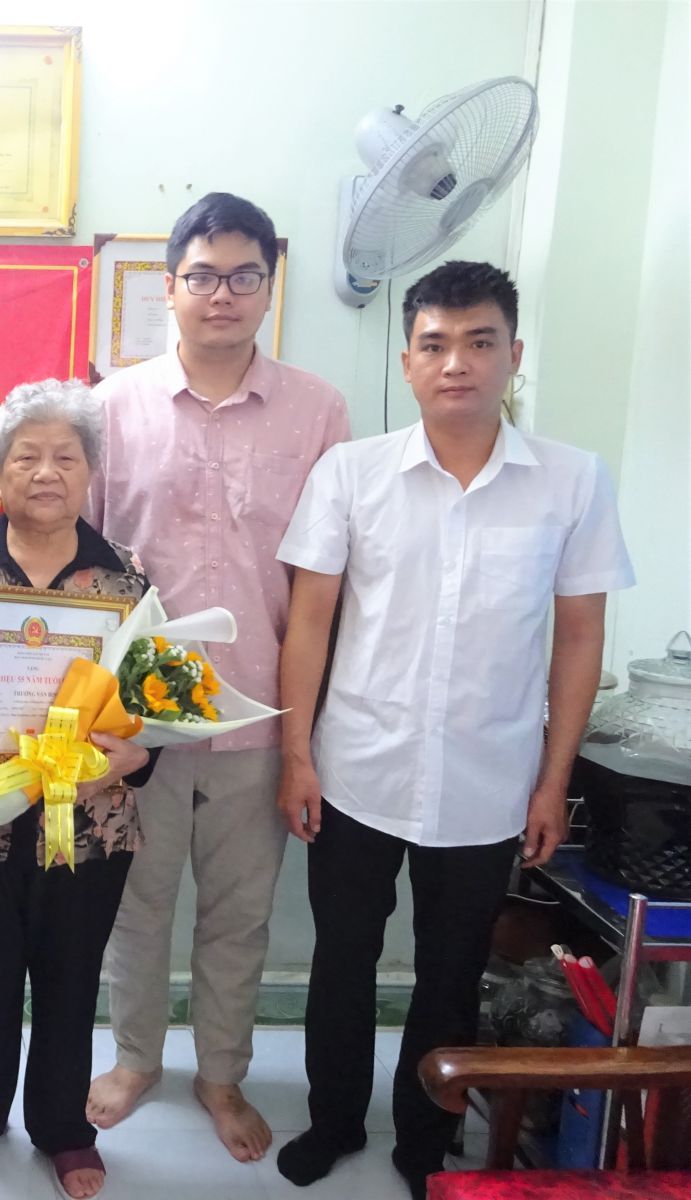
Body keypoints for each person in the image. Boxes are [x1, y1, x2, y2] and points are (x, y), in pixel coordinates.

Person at [272, 261, 635, 1199]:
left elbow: (579, 638)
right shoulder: (351, 474)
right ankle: (332, 1119)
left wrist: (552, 782)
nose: (456, 363)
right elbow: (309, 623)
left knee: (451, 968)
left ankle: (423, 1143)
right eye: (433, 344)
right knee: (342, 959)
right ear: (406, 362)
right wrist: (296, 756)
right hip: (355, 767)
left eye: (479, 342)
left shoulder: (570, 481)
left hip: (488, 779)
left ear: (513, 354)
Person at [85, 192, 350, 1161]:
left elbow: (325, 580)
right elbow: (86, 564)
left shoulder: (318, 411)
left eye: (244, 276)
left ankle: (223, 1075)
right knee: (135, 905)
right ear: (170, 287)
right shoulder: (112, 407)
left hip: (258, 713)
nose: (223, 295)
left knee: (239, 917)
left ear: (269, 287)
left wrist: (301, 739)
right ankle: (134, 1060)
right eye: (203, 276)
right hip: (137, 721)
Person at [0, 380, 154, 1200]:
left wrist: (133, 758)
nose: (46, 472)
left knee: (69, 980)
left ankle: (62, 1127)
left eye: (65, 457)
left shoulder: (126, 578)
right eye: (26, 457)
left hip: (90, 825)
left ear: (90, 470)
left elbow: (154, 706)